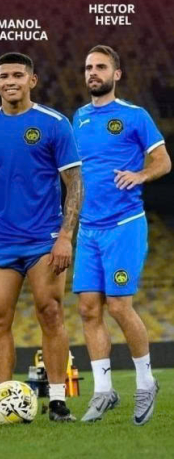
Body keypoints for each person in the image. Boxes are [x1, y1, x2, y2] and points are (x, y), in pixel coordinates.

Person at [0, 52, 83, 423]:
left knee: (51, 312)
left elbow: (75, 183)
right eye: (4, 76)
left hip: (45, 239)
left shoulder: (54, 123)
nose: (11, 81)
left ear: (32, 80)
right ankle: (2, 400)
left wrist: (66, 236)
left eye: (18, 75)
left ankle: (58, 400)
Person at [72, 45, 171, 425]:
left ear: (117, 74)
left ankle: (146, 382)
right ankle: (103, 391)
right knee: (87, 308)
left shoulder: (134, 116)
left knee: (118, 306)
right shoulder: (79, 117)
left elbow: (163, 160)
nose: (93, 72)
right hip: (88, 229)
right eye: (88, 67)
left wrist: (141, 174)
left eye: (101, 67)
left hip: (123, 226)